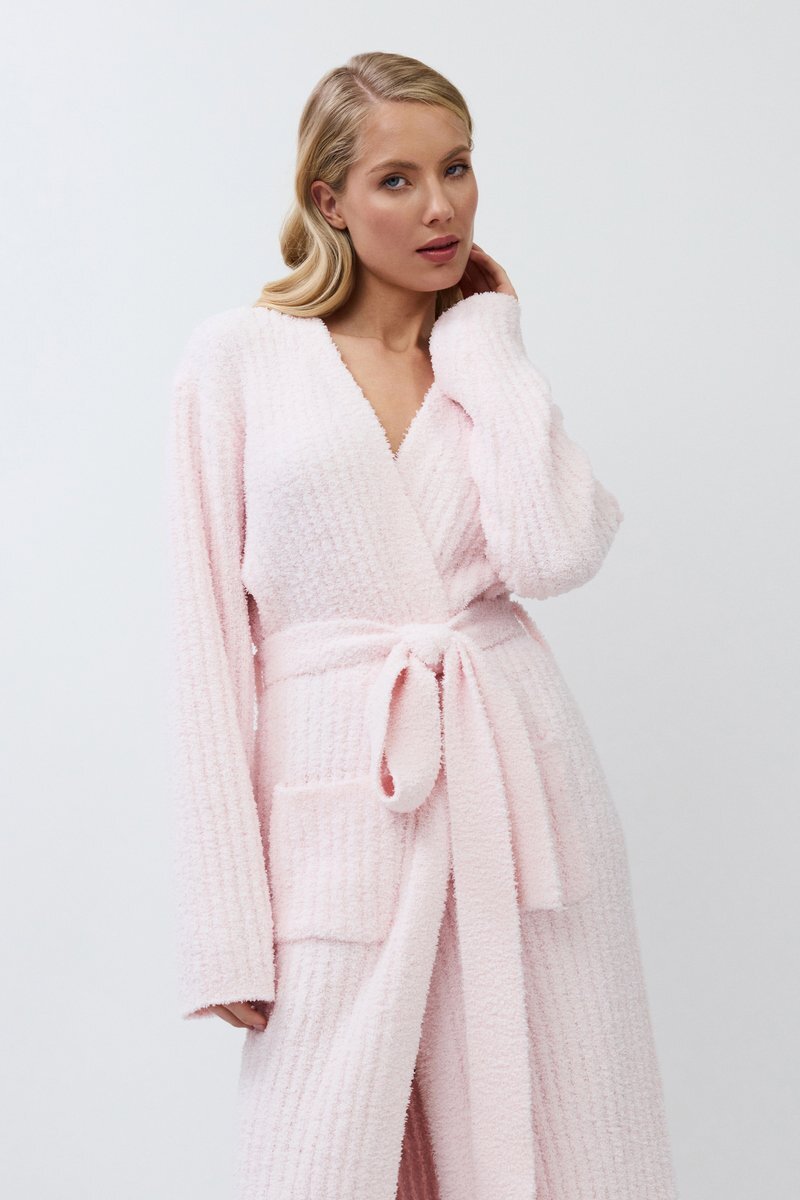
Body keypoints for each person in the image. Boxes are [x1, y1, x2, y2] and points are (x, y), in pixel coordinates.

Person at [167, 49, 678, 1200]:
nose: (440, 206)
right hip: (339, 813)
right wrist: (225, 926)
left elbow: (552, 553)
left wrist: (486, 342)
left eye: (456, 167)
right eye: (396, 180)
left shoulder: (481, 364)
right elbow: (204, 647)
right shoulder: (237, 360)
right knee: (327, 1158)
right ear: (328, 201)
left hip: (518, 801)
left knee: (554, 1148)